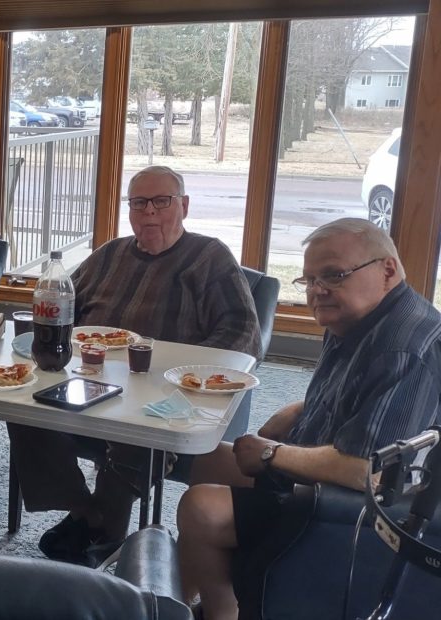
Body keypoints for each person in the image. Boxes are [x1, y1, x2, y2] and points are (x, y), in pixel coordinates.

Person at [177, 218, 441, 620]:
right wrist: (300, 408)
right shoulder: (357, 318)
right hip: (320, 468)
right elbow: (360, 395)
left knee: (201, 507)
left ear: (387, 269)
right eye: (310, 280)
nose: (317, 291)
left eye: (333, 275)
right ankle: (174, 601)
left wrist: (272, 455)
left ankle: (224, 613)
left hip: (353, 507)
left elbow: (366, 472)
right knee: (205, 460)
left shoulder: (401, 349)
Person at [6, 165, 262, 566]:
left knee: (139, 423)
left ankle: (105, 528)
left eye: (162, 201)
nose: (150, 213)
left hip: (164, 390)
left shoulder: (210, 258)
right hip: (89, 377)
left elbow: (243, 333)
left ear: (184, 205)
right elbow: (63, 304)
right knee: (22, 407)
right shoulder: (109, 254)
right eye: (139, 203)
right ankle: (84, 510)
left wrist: (186, 377)